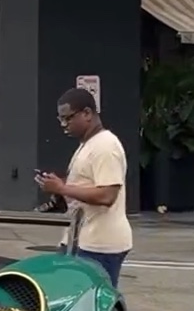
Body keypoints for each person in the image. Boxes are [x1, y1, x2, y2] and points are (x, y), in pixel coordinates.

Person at [37, 87, 132, 287]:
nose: (63, 125)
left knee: (94, 300)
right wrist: (59, 189)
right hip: (82, 240)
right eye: (60, 119)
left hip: (100, 245)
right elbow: (86, 187)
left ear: (87, 113)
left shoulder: (106, 146)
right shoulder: (89, 144)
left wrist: (62, 188)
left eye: (68, 118)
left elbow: (107, 195)